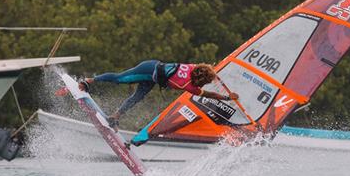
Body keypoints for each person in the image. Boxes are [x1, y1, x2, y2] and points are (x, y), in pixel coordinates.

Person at [78, 60, 237, 129]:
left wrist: (214, 74)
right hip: (147, 70)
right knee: (120, 78)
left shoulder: (192, 67)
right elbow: (209, 94)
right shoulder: (188, 85)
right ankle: (89, 80)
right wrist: (227, 97)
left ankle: (115, 117)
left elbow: (205, 68)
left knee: (136, 98)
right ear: (201, 80)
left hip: (153, 72)